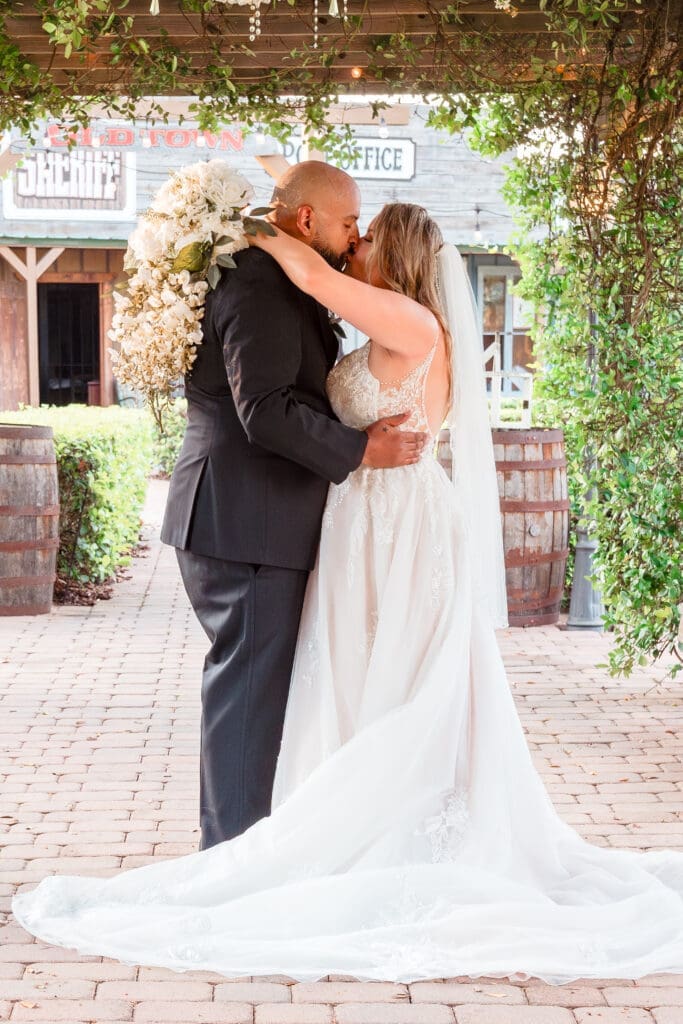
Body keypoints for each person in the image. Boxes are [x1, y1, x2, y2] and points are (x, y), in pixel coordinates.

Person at [11, 203, 683, 985]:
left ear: (392, 252)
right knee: (360, 673)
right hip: (361, 518)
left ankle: (368, 833)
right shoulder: (385, 325)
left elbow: (305, 270)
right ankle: (325, 824)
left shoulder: (411, 321)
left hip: (398, 524)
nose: (352, 244)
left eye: (364, 237)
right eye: (348, 230)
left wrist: (226, 217)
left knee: (398, 675)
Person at [159, 162, 428, 850]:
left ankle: (244, 850)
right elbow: (268, 412)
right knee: (247, 696)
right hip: (246, 518)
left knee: (256, 692)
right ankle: (230, 863)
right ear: (306, 220)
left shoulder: (276, 274)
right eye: (347, 224)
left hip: (252, 516)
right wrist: (360, 451)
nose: (353, 237)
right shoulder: (260, 283)